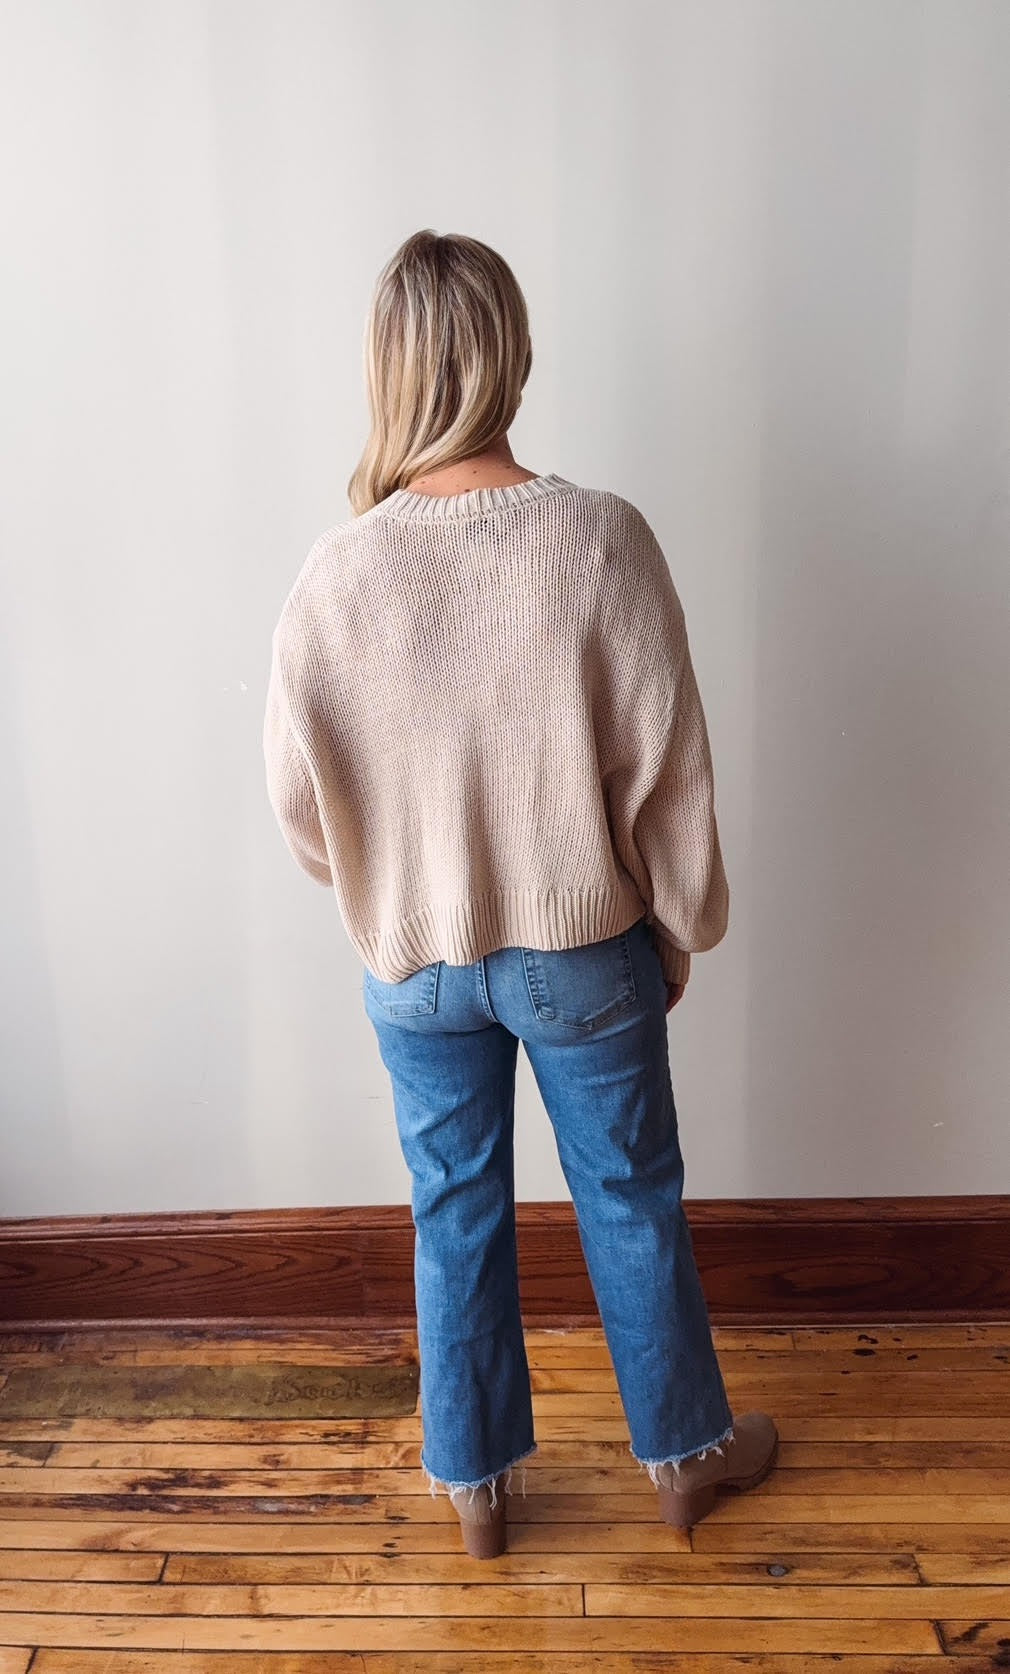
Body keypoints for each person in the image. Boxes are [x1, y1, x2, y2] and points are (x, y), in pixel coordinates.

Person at [263, 228, 777, 1559]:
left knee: (453, 1208)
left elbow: (300, 800)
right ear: (515, 354)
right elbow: (669, 766)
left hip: (416, 958)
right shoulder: (599, 538)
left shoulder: (334, 574)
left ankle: (478, 1490)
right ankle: (684, 1459)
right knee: (628, 1194)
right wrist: (677, 922)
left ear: (388, 371)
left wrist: (390, 898)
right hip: (583, 939)